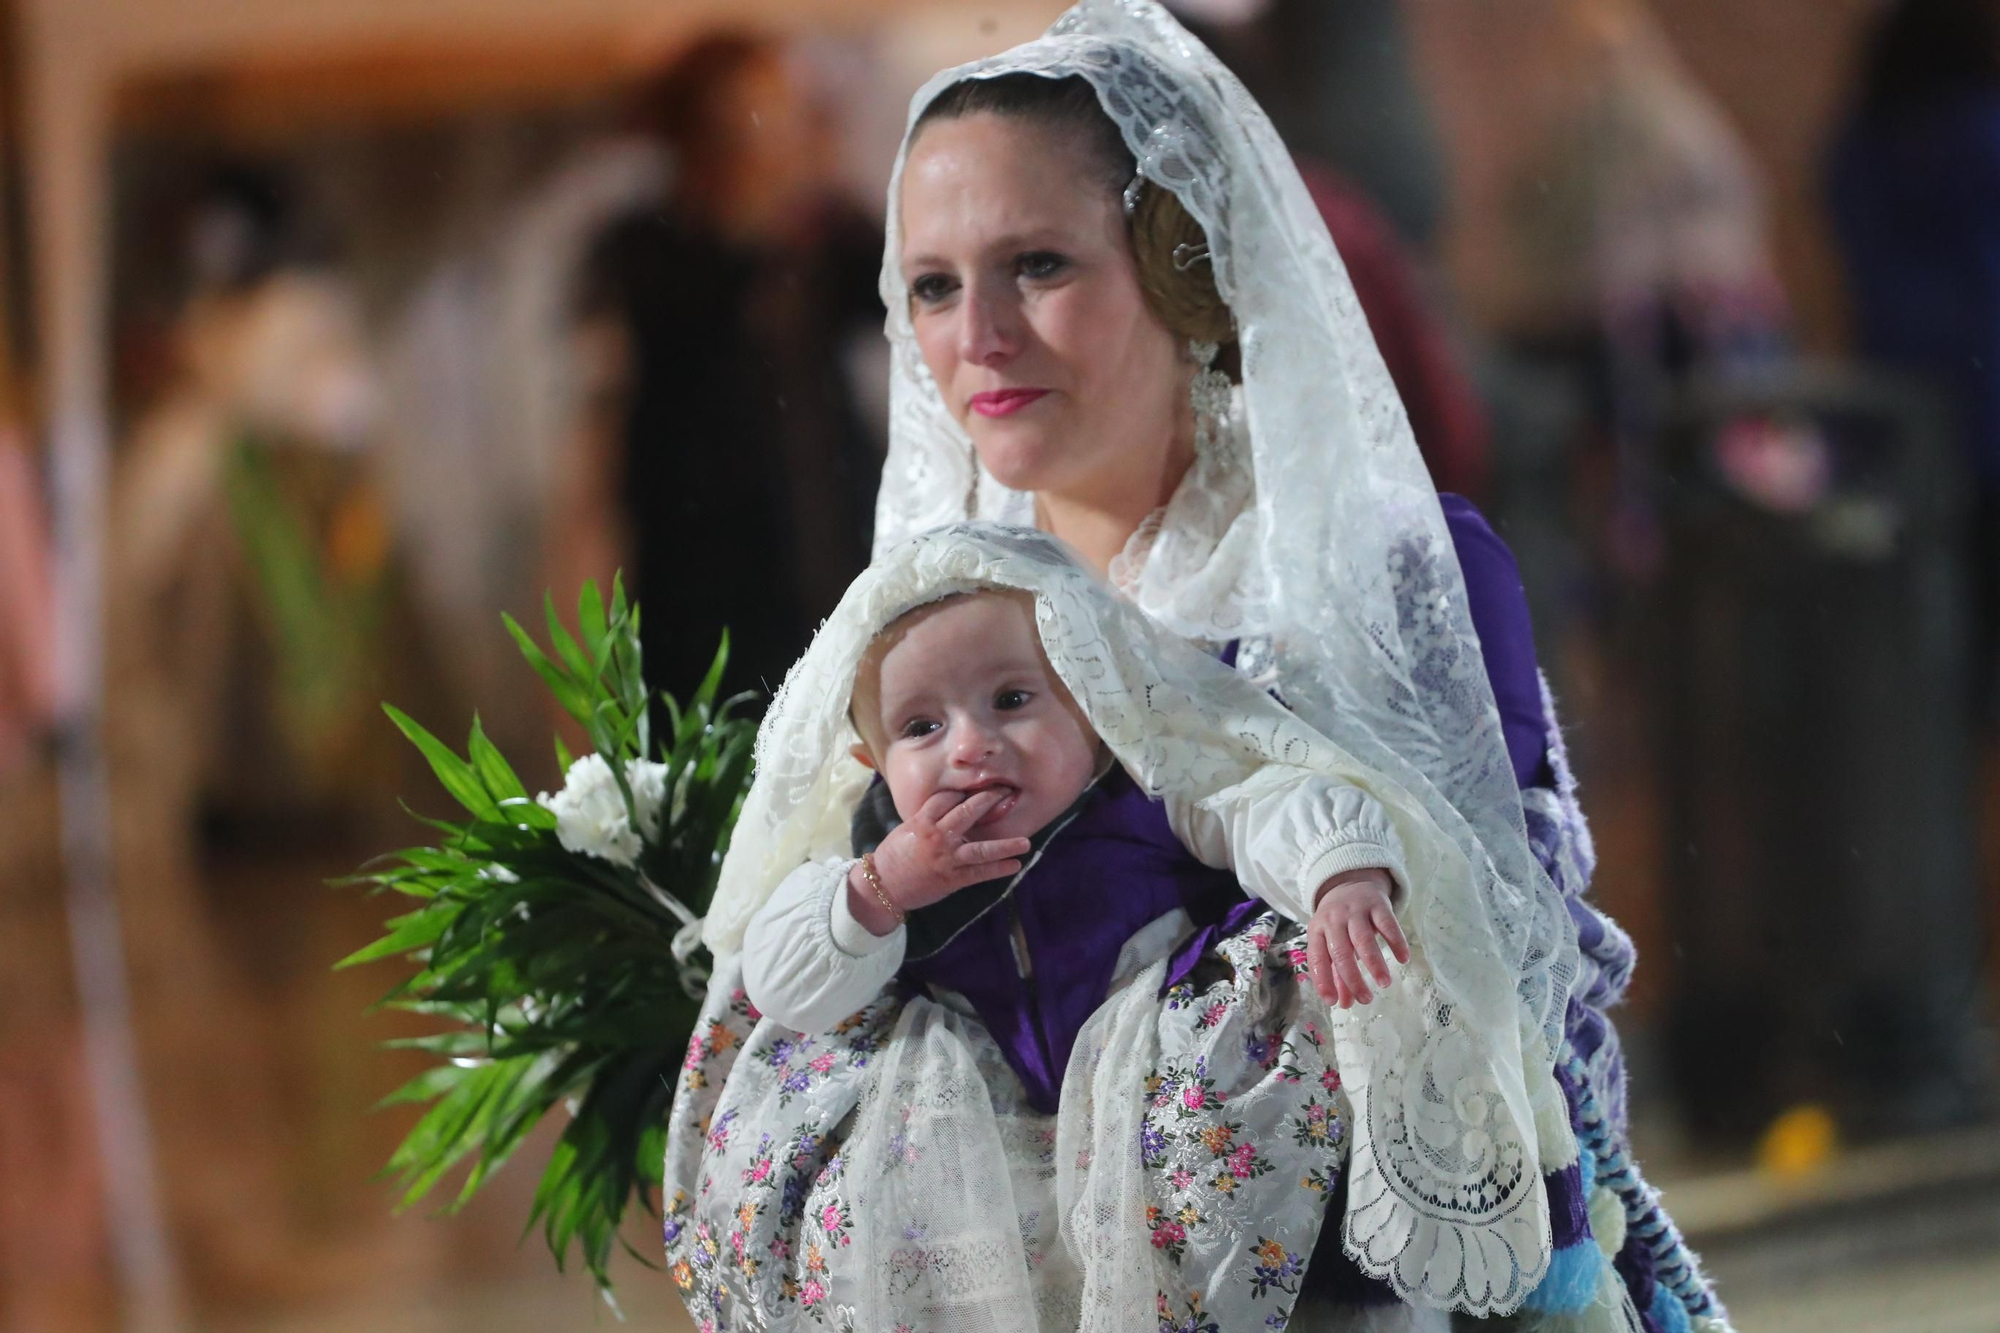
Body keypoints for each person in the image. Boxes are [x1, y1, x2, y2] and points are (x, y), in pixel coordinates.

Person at [786, 3, 1725, 1328]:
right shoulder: (931, 634)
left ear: (1182, 262)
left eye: (1037, 264)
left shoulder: (1391, 578)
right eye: (934, 283)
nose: (976, 335)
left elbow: (1482, 1007)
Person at [670, 522, 1575, 1331]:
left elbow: (1266, 798)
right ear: (872, 759)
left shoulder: (1142, 789)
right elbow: (784, 983)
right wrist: (878, 889)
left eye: (1012, 700)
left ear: (1089, 701)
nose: (969, 745)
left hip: (1160, 1085)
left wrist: (1341, 874)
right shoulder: (879, 852)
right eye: (920, 725)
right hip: (1000, 1126)